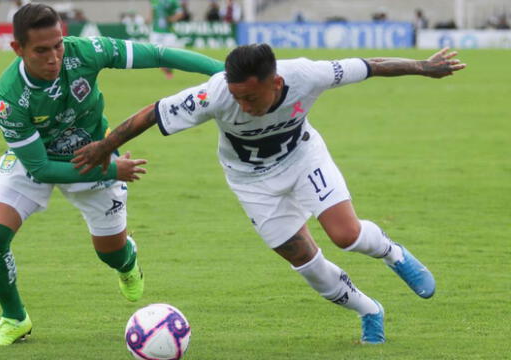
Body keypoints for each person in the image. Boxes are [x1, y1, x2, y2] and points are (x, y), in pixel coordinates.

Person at [72, 44, 467, 344]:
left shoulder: (307, 75)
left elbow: (371, 67)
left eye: (251, 97)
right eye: (237, 97)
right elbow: (152, 112)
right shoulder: (217, 94)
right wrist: (106, 147)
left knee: (346, 235)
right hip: (250, 182)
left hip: (304, 158)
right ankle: (369, 309)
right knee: (304, 262)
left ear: (276, 82)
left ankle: (393, 254)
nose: (243, 106)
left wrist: (423, 68)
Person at [0, 3, 224, 346]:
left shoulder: (87, 52)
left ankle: (127, 262)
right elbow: (40, 168)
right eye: (41, 50)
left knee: (110, 253)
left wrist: (225, 73)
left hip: (93, 152)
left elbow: (156, 54)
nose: (54, 57)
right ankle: (14, 318)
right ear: (17, 49)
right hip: (40, 159)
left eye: (58, 44)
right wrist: (114, 168)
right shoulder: (9, 97)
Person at [148, 0, 185, 78]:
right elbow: (152, 10)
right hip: (156, 31)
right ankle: (166, 72)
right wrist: (150, 18)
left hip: (168, 31)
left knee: (169, 52)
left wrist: (171, 19)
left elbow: (180, 13)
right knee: (155, 52)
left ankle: (169, 71)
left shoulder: (173, 1)